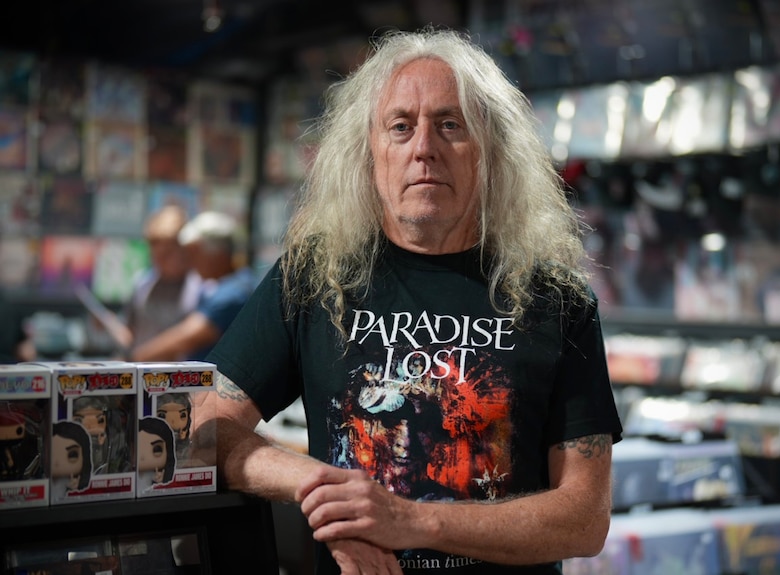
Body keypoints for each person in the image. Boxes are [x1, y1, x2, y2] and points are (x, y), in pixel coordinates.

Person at [198, 28, 623, 574]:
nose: (424, 148)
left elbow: (585, 518)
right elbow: (202, 428)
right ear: (369, 153)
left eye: (450, 125)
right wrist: (327, 490)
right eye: (400, 127)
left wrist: (412, 521)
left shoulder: (557, 301)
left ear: (490, 151)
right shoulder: (313, 277)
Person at [129, 211, 258, 362]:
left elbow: (184, 339)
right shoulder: (228, 285)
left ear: (218, 253)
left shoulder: (234, 293)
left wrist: (132, 359)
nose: (189, 260)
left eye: (194, 252)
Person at [118, 205, 204, 353]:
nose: (161, 261)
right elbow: (129, 332)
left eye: (168, 254)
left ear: (184, 250)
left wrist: (141, 356)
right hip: (141, 365)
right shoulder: (143, 283)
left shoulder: (200, 287)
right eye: (156, 254)